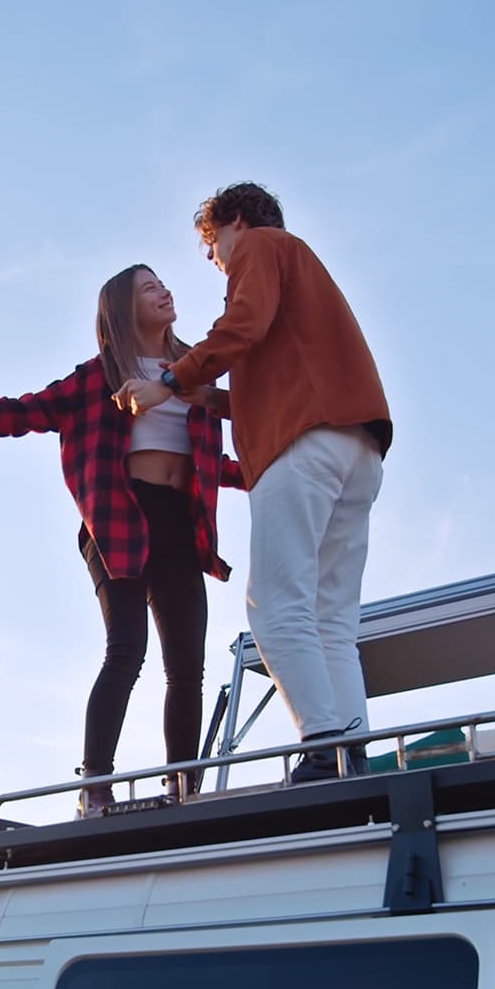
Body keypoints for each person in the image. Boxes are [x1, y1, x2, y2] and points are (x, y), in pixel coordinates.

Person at [0, 265, 244, 816]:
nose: (164, 291)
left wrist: (268, 471)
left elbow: (209, 462)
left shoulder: (192, 371)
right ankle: (95, 785)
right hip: (120, 519)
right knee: (127, 649)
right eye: (149, 288)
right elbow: (24, 412)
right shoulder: (97, 377)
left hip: (177, 519)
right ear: (123, 308)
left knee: (187, 665)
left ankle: (182, 783)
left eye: (163, 284)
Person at [115, 184, 392, 783]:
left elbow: (243, 322)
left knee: (275, 606)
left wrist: (168, 381)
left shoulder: (261, 247)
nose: (216, 265)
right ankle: (353, 752)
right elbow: (274, 382)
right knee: (332, 618)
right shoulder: (304, 272)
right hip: (358, 446)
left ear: (231, 224)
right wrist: (205, 395)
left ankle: (321, 747)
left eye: (212, 250)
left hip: (302, 447)